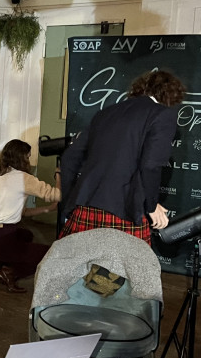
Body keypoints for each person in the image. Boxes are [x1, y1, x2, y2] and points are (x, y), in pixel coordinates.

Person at [59, 69, 186, 245]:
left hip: (85, 207)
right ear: (170, 95)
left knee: (76, 261)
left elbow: (68, 159)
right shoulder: (162, 114)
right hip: (124, 211)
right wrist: (151, 206)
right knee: (131, 263)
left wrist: (69, 203)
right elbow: (150, 165)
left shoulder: (105, 113)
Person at [0, 139, 61, 293]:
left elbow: (20, 211)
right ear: (22, 158)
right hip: (3, 239)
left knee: (25, 235)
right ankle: (10, 273)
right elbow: (56, 195)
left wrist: (47, 209)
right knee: (49, 253)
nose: (29, 161)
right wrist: (59, 175)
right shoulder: (23, 178)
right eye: (28, 157)